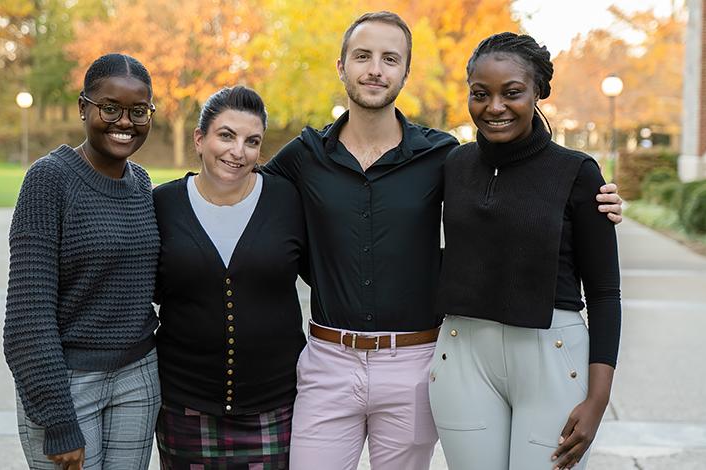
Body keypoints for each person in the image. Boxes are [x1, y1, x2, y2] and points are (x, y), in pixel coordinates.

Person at [264, 11, 623, 470]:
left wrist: (601, 203)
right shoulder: (317, 156)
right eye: (362, 56)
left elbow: (598, 283)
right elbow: (252, 196)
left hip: (471, 356)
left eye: (389, 58)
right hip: (371, 358)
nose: (495, 106)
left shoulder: (446, 157)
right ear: (342, 66)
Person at [429, 32, 621, 470]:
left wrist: (598, 399)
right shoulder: (453, 165)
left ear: (538, 92)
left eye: (511, 93)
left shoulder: (577, 173)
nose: (494, 107)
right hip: (463, 357)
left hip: (553, 357)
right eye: (480, 94)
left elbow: (606, 293)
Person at [3, 53, 161, 470]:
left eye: (138, 111)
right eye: (109, 108)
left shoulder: (142, 183)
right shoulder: (49, 180)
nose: (124, 122)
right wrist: (57, 420)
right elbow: (27, 317)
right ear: (82, 107)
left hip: (138, 379)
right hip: (67, 385)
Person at [153, 86, 306, 469]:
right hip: (185, 407)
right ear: (200, 139)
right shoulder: (162, 204)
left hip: (273, 406)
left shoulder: (287, 200)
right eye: (226, 136)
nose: (238, 152)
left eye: (251, 141)